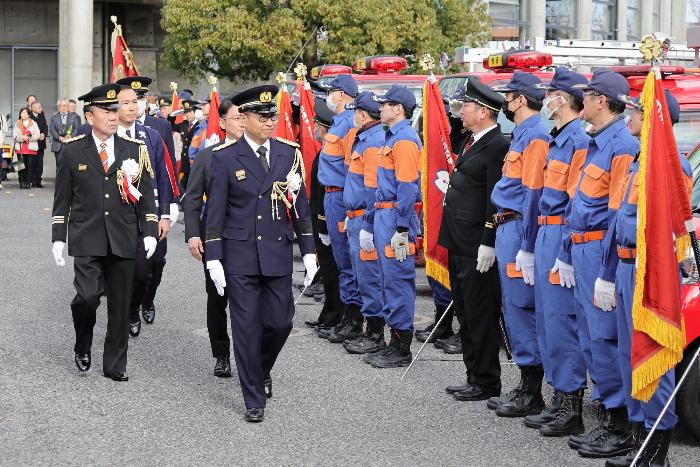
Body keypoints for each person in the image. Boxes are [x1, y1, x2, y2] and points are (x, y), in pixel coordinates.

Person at [204, 85, 318, 423]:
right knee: (246, 327)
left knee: (280, 322)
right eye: (263, 116)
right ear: (245, 119)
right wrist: (213, 257)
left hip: (276, 251)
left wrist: (309, 251)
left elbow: (300, 206)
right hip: (239, 255)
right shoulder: (225, 158)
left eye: (273, 116)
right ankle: (253, 397)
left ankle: (259, 368)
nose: (270, 122)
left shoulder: (287, 153)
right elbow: (216, 213)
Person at [599, 90, 690, 467]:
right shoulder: (638, 163)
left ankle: (657, 450)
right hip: (624, 266)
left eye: (636, 110)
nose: (630, 116)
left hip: (650, 271)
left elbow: (673, 228)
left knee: (653, 355)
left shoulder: (673, 167)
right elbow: (618, 220)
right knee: (628, 356)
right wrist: (606, 274)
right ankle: (639, 438)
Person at [51, 83, 158, 381]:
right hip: (87, 238)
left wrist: (149, 229)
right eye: (106, 110)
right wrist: (58, 237)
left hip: (123, 236)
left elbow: (146, 194)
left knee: (121, 306)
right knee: (86, 298)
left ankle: (114, 365)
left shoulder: (134, 150)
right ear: (89, 116)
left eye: (115, 110)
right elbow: (62, 199)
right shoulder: (73, 151)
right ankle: (83, 342)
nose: (114, 116)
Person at [565, 69, 639, 458]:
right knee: (591, 337)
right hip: (582, 247)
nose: (584, 101)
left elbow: (616, 217)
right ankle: (611, 416)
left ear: (603, 102)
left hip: (600, 251)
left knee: (606, 337)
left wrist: (607, 272)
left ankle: (619, 424)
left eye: (588, 95)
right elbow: (579, 204)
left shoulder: (621, 146)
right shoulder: (596, 143)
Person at [524, 68, 591, 437]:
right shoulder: (559, 137)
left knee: (563, 322)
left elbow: (575, 203)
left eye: (549, 93)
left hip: (562, 233)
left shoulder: (578, 140)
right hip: (546, 234)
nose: (545, 99)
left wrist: (565, 250)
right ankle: (558, 398)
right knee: (548, 320)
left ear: (561, 99)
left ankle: (571, 406)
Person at [439, 78, 508, 402]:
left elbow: (496, 199)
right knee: (465, 312)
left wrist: (489, 240)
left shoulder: (497, 146)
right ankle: (473, 375)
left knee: (480, 314)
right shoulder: (472, 139)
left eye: (465, 106)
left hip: (475, 243)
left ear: (483, 111)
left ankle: (486, 380)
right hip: (458, 240)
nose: (460, 111)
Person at [489, 71, 550, 417]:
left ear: (521, 100)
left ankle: (533, 389)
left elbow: (532, 195)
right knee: (513, 306)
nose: (504, 103)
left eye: (508, 97)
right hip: (507, 226)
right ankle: (527, 383)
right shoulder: (523, 135)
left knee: (523, 307)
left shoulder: (536, 137)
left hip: (518, 227)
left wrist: (527, 244)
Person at [183, 97, 245, 378]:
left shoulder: (262, 153)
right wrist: (193, 235)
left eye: (246, 117)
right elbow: (193, 198)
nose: (242, 123)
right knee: (218, 298)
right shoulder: (209, 156)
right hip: (216, 238)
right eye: (236, 118)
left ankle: (252, 359)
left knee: (250, 302)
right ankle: (221, 354)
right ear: (221, 123)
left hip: (249, 240)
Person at [360, 84, 422, 368]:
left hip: (396, 216)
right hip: (384, 214)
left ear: (399, 109)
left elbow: (407, 187)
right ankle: (393, 341)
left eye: (385, 104)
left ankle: (401, 347)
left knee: (397, 283)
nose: (380, 108)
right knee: (388, 281)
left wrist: (401, 228)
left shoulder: (405, 139)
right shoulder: (391, 137)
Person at [112, 81, 174, 338]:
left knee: (156, 263)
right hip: (119, 214)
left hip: (151, 212)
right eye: (127, 100)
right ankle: (131, 309)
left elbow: (164, 176)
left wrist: (166, 214)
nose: (133, 105)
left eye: (137, 100)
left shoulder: (152, 136)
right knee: (135, 269)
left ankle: (145, 300)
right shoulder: (109, 135)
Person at [315, 74, 363, 344]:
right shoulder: (339, 122)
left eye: (331, 92)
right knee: (341, 259)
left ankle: (352, 320)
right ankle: (347, 317)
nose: (328, 97)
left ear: (342, 95)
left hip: (342, 195)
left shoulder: (349, 124)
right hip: (331, 195)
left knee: (346, 261)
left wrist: (348, 205)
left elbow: (350, 170)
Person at [339, 91, 387, 354]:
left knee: (369, 278)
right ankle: (372, 330)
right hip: (355, 217)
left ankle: (375, 333)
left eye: (355, 111)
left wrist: (368, 224)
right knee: (362, 276)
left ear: (362, 114)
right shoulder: (365, 137)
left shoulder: (373, 140)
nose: (353, 116)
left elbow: (372, 188)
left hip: (364, 219)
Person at [306, 97, 344, 332]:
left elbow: (325, 191)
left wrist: (321, 224)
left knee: (332, 271)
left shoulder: (330, 153)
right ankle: (327, 314)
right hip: (322, 216)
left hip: (327, 218)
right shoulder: (323, 152)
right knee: (328, 270)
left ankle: (334, 316)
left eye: (319, 127)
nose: (316, 131)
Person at [12, 107, 40, 189]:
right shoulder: (17, 123)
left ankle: (28, 182)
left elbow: (37, 135)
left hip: (31, 148)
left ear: (28, 115)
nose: (22, 114)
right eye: (21, 113)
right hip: (20, 148)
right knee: (20, 167)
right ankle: (22, 182)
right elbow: (14, 135)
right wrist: (22, 137)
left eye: (24, 113)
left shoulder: (33, 123)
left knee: (30, 167)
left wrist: (28, 138)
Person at [30, 101, 48, 188]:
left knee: (40, 164)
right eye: (39, 107)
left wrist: (44, 134)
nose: (41, 109)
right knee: (33, 163)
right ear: (33, 108)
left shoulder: (42, 114)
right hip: (33, 143)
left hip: (41, 143)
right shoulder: (29, 116)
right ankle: (33, 181)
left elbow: (45, 126)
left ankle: (38, 181)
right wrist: (37, 135)